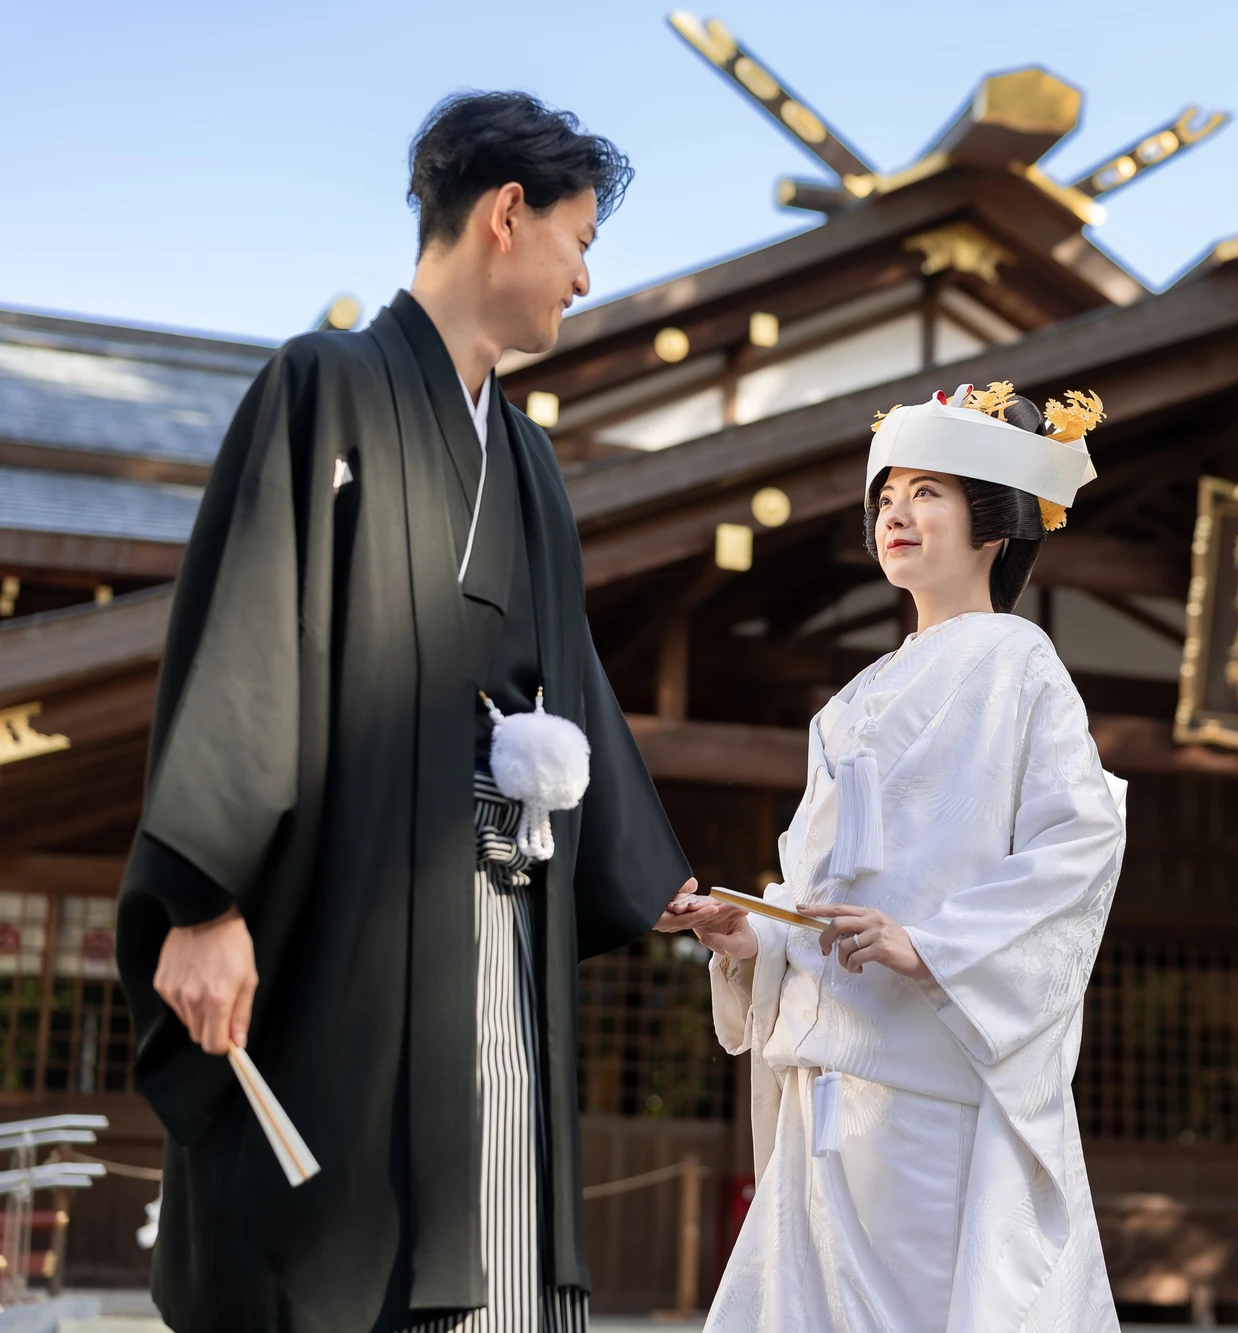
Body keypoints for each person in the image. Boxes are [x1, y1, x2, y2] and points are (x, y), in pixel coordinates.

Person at [115, 92, 694, 1333]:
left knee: (499, 1231)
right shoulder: (322, 386)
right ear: (505, 214)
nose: (584, 277)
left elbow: (572, 683)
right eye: (579, 240)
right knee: (338, 1245)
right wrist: (202, 902)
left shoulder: (529, 462)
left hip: (502, 901)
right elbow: (249, 633)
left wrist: (659, 884)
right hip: (351, 917)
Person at [664, 382, 1128, 1331]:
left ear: (994, 521)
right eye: (884, 497)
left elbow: (1081, 842)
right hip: (826, 1085)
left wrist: (936, 944)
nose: (895, 515)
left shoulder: (1020, 664)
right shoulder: (853, 698)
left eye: (927, 492)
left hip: (933, 1076)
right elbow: (822, 887)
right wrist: (757, 933)